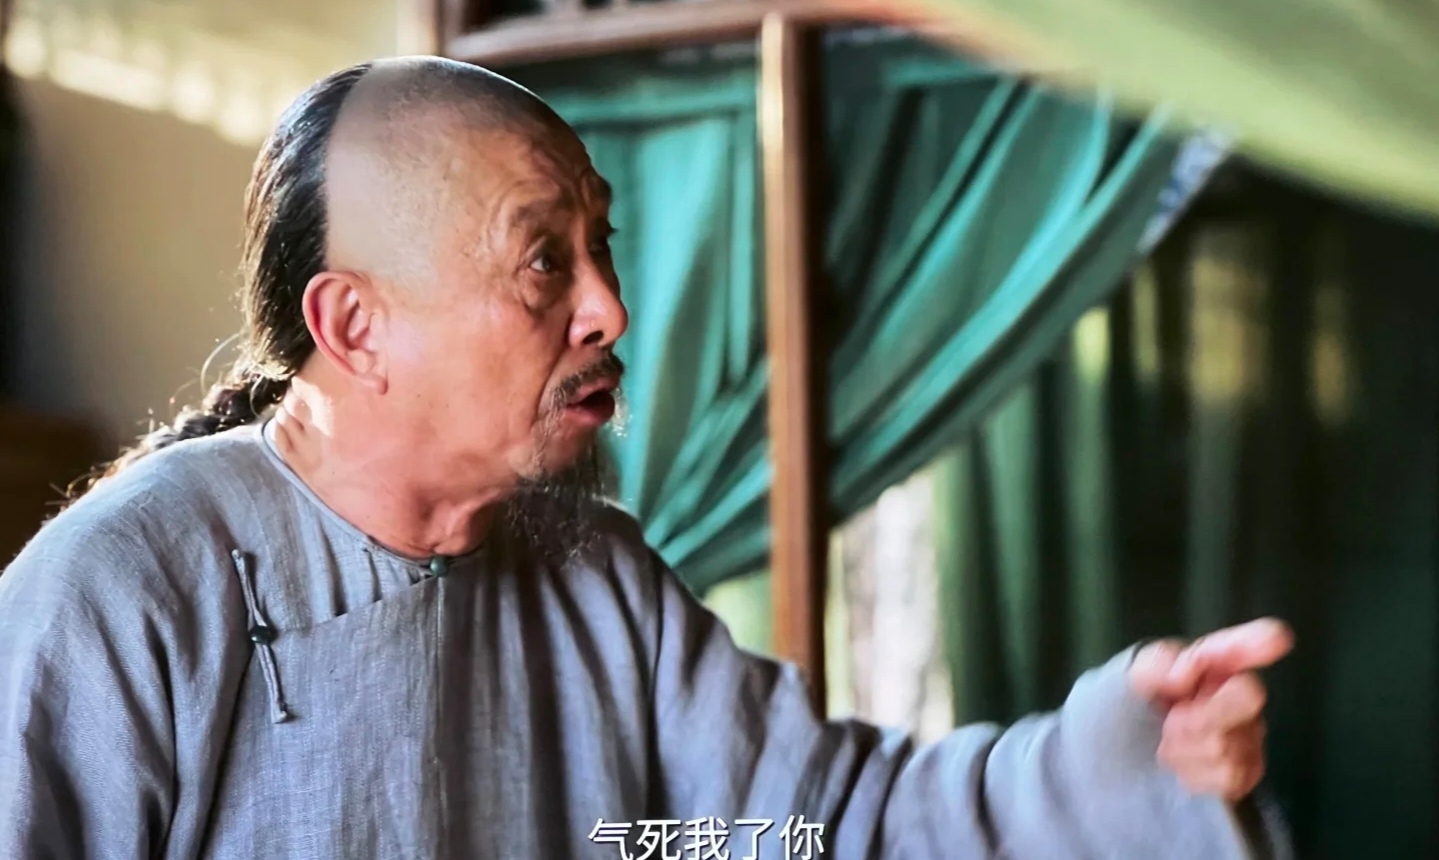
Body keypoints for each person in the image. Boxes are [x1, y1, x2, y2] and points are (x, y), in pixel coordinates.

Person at [0, 57, 1294, 860]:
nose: (610, 308)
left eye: (600, 246)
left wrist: (1116, 757)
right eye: (543, 260)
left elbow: (811, 831)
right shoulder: (121, 590)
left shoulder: (594, 577)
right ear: (355, 326)